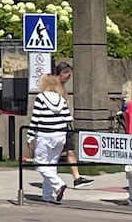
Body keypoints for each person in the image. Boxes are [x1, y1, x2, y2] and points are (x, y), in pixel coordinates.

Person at [31, 73, 71, 203]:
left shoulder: (40, 97)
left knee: (40, 163)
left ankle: (58, 184)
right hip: (60, 135)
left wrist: (29, 136)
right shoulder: (61, 98)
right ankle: (47, 195)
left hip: (45, 135)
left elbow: (35, 118)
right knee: (51, 164)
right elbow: (68, 118)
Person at [52, 61, 93, 188]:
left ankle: (77, 177)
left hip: (65, 124)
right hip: (57, 125)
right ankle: (52, 177)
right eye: (67, 74)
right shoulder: (54, 87)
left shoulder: (62, 86)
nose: (69, 77)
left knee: (70, 150)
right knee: (56, 153)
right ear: (61, 73)